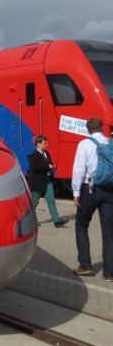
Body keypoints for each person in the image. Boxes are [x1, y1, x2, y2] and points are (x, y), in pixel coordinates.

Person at [71, 117, 113, 281]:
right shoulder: (110, 142)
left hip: (90, 190)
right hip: (110, 190)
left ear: (88, 129)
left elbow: (79, 169)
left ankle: (85, 266)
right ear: (102, 128)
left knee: (81, 224)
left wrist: (76, 192)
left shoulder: (84, 144)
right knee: (109, 232)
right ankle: (109, 273)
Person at [27, 135, 67, 227]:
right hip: (37, 183)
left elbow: (50, 164)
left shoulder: (46, 153)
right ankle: (29, 221)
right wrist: (47, 166)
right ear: (38, 143)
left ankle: (56, 221)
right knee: (34, 203)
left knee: (51, 200)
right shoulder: (34, 155)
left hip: (47, 181)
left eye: (46, 143)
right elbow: (35, 167)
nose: (46, 144)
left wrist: (53, 167)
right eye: (44, 143)